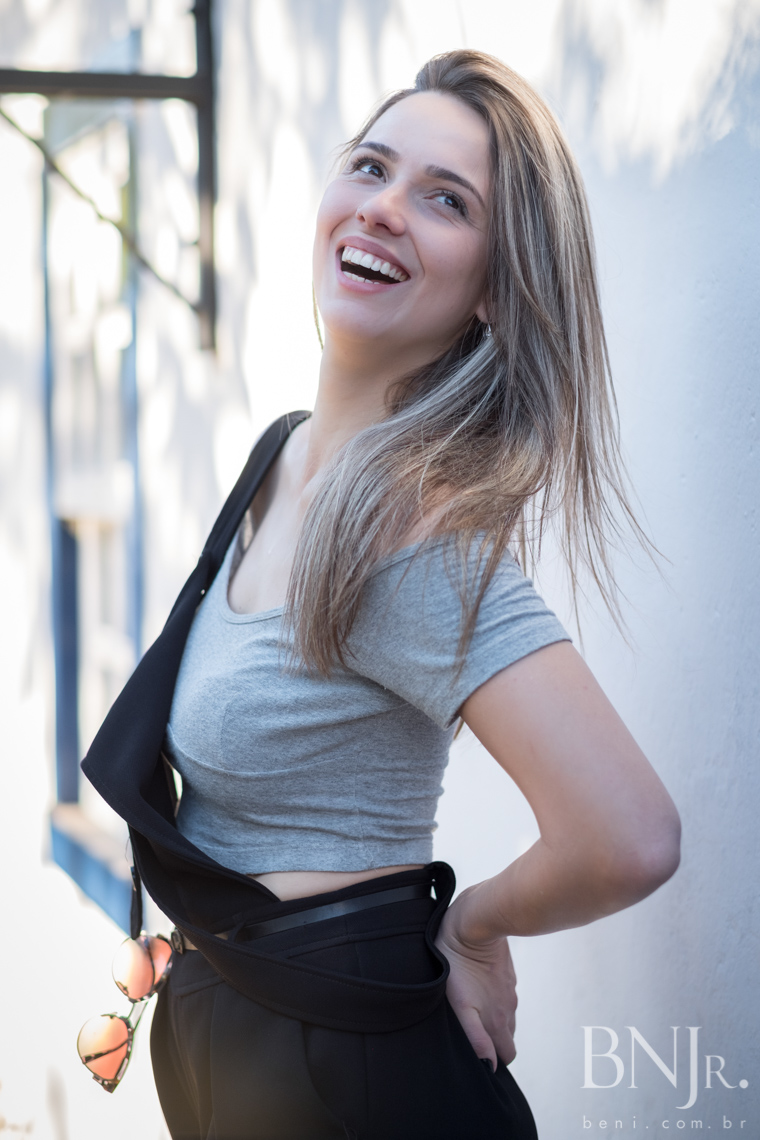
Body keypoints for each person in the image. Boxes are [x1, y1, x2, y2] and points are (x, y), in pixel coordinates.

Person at [84, 49, 680, 1139]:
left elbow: (628, 834)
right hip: (247, 1043)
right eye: (371, 166)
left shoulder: (410, 536)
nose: (385, 207)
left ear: (493, 288)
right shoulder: (283, 455)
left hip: (344, 1075)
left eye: (446, 200)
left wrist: (477, 926)